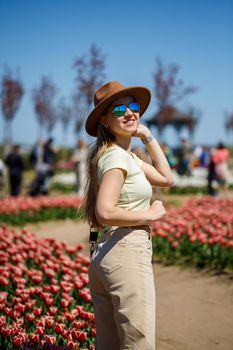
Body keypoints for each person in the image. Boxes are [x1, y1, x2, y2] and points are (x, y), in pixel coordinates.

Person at [85, 81, 173, 350]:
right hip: (127, 253)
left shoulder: (128, 157)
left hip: (109, 255)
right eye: (119, 108)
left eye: (133, 106)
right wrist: (149, 214)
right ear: (104, 120)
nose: (129, 112)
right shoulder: (116, 158)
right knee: (138, 344)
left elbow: (167, 178)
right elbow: (104, 211)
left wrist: (146, 136)